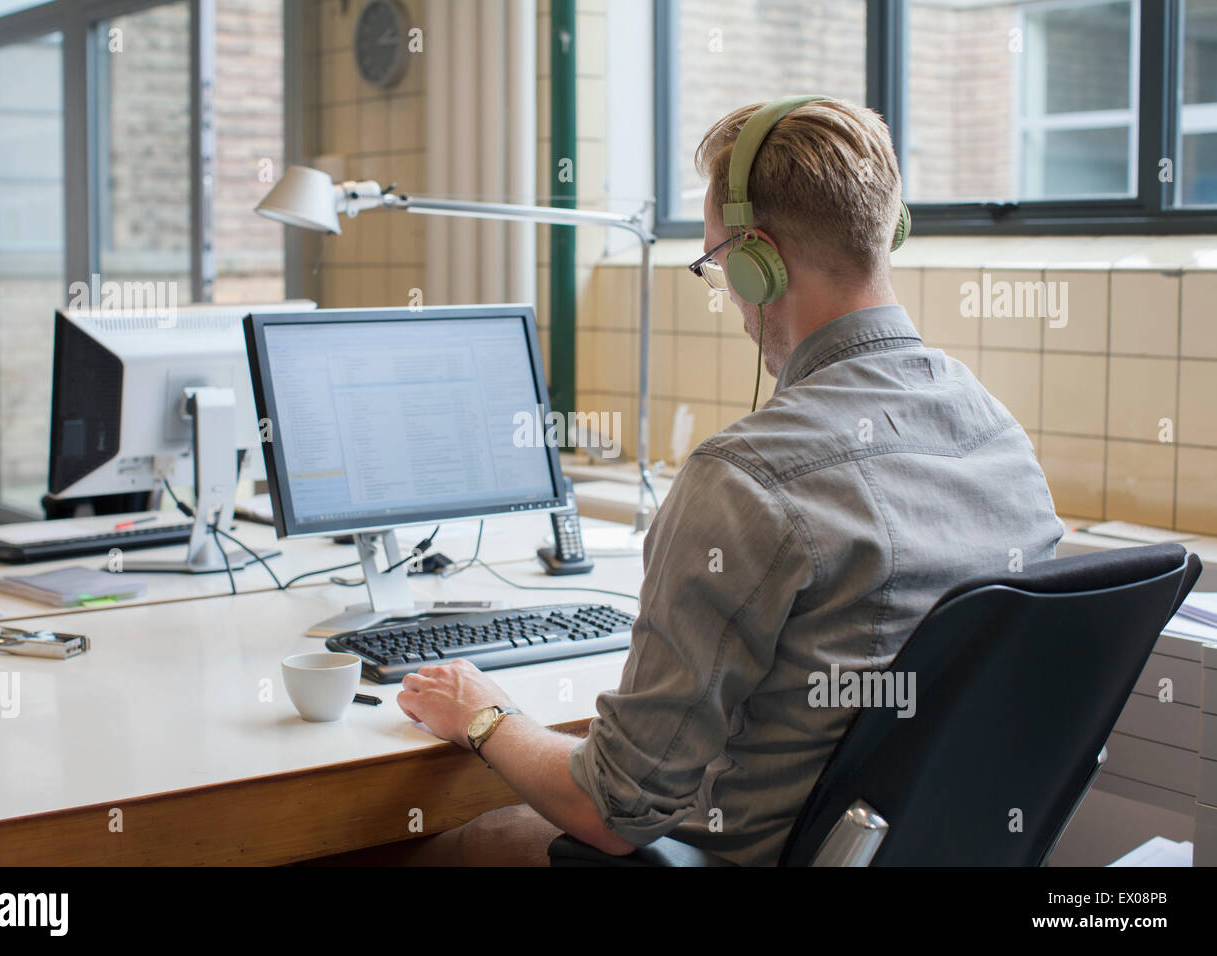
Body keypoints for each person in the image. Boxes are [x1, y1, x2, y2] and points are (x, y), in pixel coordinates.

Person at [390, 96, 1064, 866]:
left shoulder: (746, 479)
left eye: (717, 261)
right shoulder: (1000, 437)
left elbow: (613, 810)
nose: (731, 295)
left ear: (759, 260)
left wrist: (483, 712)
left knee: (417, 847)